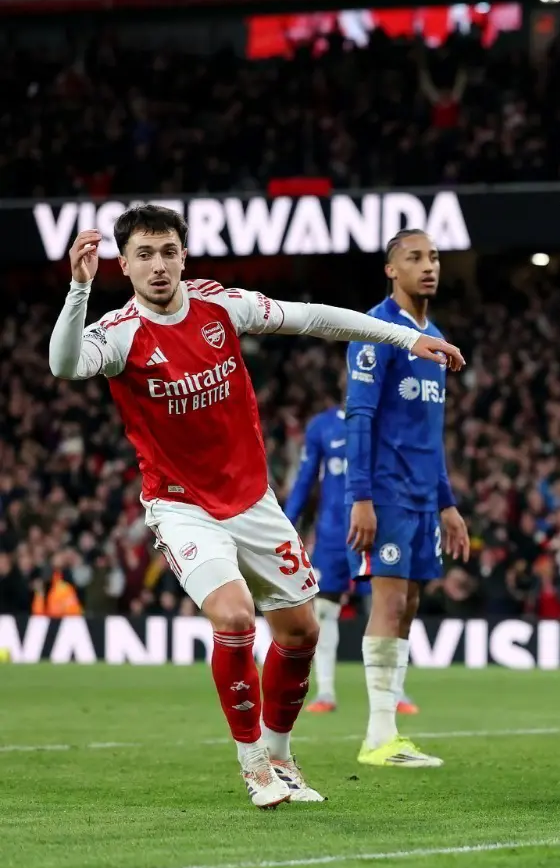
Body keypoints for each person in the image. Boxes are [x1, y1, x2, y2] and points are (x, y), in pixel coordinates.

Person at [48, 206, 463, 809]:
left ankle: (280, 754)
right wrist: (78, 287)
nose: (158, 265)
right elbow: (64, 365)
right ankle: (253, 767)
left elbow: (315, 319)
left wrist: (407, 337)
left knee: (301, 630)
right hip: (180, 505)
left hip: (251, 499)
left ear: (184, 256)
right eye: (144, 254)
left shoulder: (221, 305)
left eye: (168, 251)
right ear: (125, 263)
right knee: (236, 617)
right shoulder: (118, 333)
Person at [345, 229, 471, 768]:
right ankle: (378, 737)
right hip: (388, 492)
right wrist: (361, 497)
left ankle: (388, 731)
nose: (429, 266)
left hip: (423, 497)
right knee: (390, 602)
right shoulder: (378, 331)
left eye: (435, 257)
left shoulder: (435, 338)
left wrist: (447, 503)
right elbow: (361, 416)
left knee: (411, 605)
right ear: (391, 270)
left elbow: (431, 432)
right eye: (415, 257)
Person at [283, 403, 350, 714]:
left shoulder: (387, 418)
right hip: (333, 534)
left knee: (390, 606)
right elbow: (306, 478)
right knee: (324, 610)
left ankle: (396, 693)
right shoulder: (322, 426)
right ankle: (326, 692)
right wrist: (286, 522)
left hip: (379, 529)